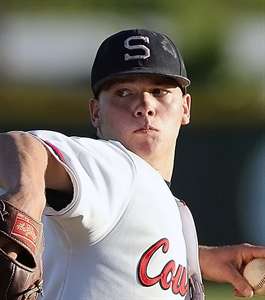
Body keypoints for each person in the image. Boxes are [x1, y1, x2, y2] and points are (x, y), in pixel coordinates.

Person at [0, 28, 264, 300]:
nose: (145, 105)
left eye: (160, 91)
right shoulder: (116, 167)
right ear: (96, 112)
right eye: (124, 92)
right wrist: (27, 195)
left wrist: (195, 258)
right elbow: (20, 145)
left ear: (185, 107)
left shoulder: (172, 209)